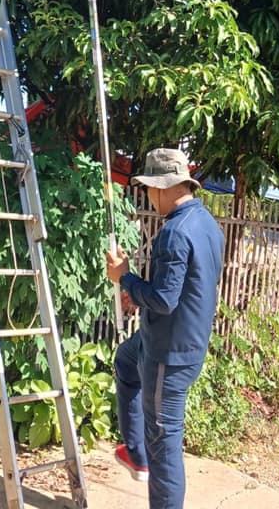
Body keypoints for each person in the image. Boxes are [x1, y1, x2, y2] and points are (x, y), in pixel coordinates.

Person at [106, 147, 224, 509]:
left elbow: (164, 299)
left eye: (149, 188)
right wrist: (136, 291)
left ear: (162, 186)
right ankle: (136, 452)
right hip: (182, 340)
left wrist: (125, 278)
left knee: (166, 446)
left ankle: (146, 456)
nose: (148, 196)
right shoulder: (207, 224)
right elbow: (182, 289)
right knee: (125, 362)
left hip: (167, 355)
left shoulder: (174, 233)